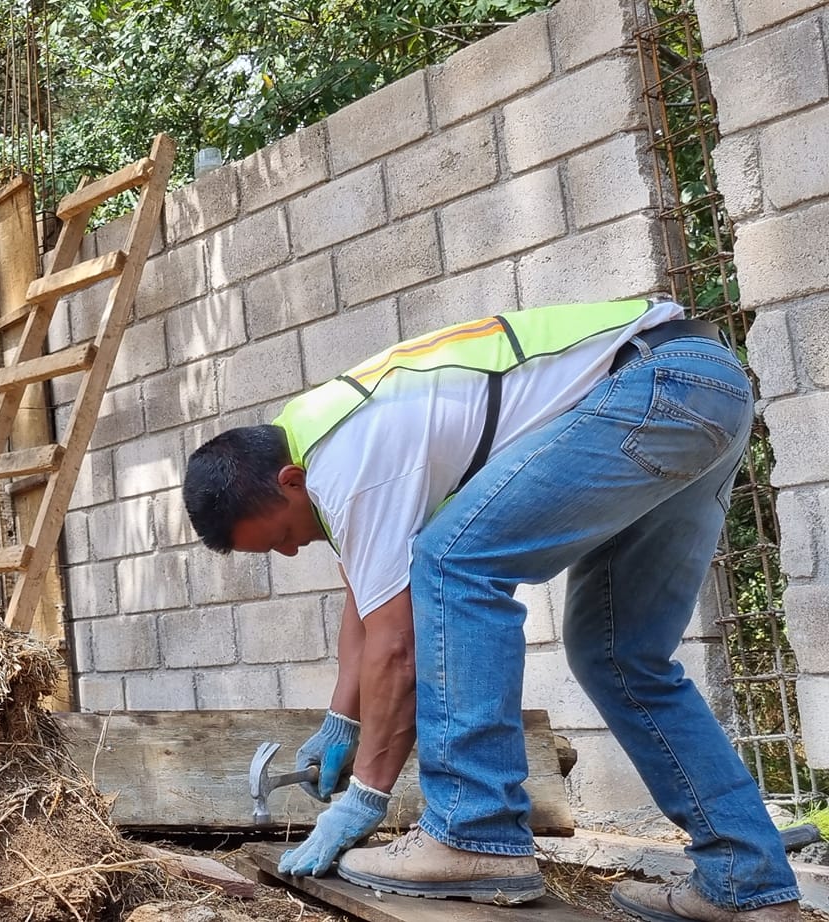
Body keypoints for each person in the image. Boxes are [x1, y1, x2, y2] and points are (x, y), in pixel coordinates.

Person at [183, 299, 799, 921]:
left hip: (653, 384)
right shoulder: (319, 443)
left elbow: (398, 645)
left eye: (281, 535)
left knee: (454, 562)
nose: (291, 550)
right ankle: (744, 881)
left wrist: (366, 796)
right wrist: (342, 721)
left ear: (290, 484)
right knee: (619, 654)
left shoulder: (346, 463)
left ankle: (472, 833)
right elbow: (367, 603)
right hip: (703, 389)